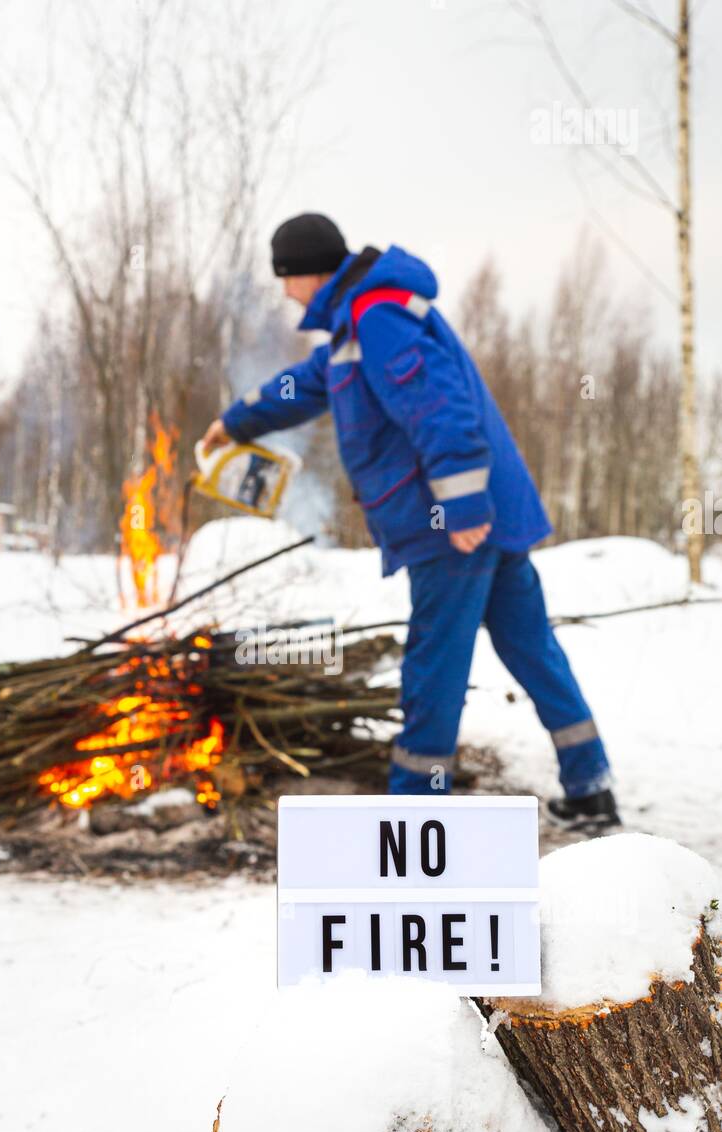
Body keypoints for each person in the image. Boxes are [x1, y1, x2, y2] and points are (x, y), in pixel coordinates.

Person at [202, 213, 619, 828]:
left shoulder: (377, 316)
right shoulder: (355, 327)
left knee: (433, 666)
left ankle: (416, 812)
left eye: (287, 280)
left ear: (307, 273)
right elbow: (300, 387)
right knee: (532, 649)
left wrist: (461, 505)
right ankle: (591, 785)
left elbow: (438, 406)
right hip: (480, 515)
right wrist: (236, 422)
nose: (287, 295)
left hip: (453, 524)